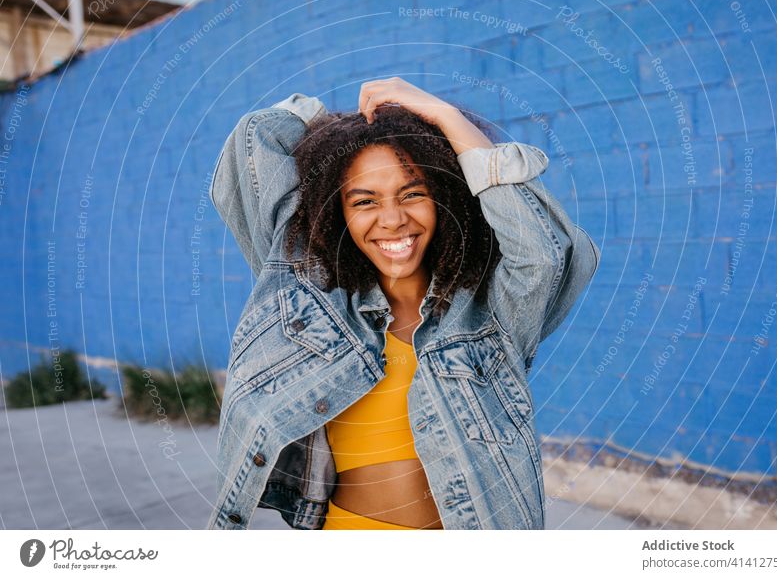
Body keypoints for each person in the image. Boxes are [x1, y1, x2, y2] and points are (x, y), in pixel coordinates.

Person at [206, 77, 600, 531]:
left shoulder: (491, 314)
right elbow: (255, 138)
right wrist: (329, 127)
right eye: (364, 201)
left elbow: (543, 251)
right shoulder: (310, 297)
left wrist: (444, 117)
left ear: (445, 198)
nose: (392, 220)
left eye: (413, 193)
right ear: (337, 214)